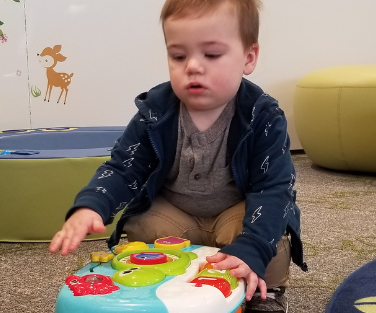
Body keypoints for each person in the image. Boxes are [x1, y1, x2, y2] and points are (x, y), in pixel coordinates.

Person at [47, 0, 307, 312]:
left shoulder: (263, 115)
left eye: (212, 54)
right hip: (177, 218)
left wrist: (252, 246)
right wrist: (91, 206)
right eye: (178, 55)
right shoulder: (155, 111)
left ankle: (267, 292)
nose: (193, 66)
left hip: (236, 215)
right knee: (139, 222)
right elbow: (123, 167)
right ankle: (163, 281)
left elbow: (274, 188)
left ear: (248, 58)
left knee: (272, 230)